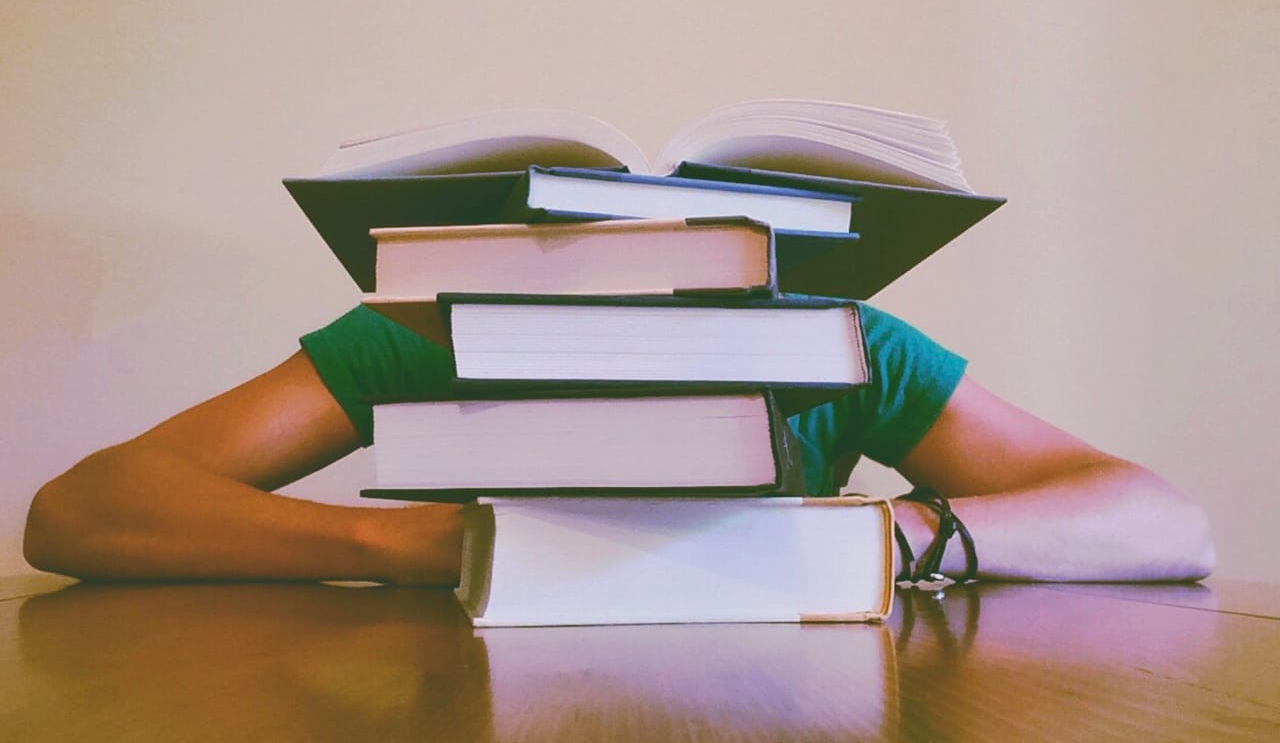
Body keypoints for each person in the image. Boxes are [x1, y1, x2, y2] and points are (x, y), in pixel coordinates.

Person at [22, 302, 1215, 585]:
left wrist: (897, 533)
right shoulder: (429, 329)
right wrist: (436, 544)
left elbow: (1163, 519)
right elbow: (79, 509)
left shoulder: (838, 346)